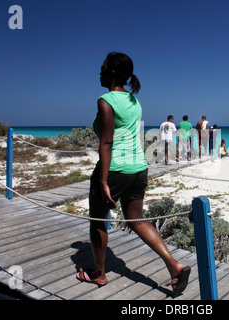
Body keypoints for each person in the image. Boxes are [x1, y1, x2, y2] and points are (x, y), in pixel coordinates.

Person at [77, 52, 190, 298]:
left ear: (113, 72)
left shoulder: (106, 99)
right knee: (136, 218)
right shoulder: (133, 100)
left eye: (103, 66)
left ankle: (99, 273)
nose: (100, 70)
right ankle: (174, 265)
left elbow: (107, 142)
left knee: (98, 220)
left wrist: (104, 180)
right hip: (139, 167)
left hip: (115, 169)